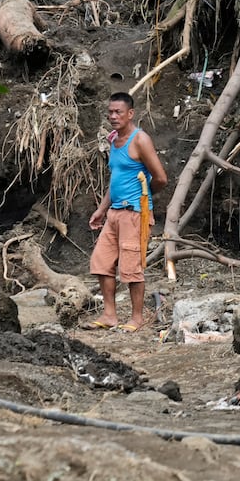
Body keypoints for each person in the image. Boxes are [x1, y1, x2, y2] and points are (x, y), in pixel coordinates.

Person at [86, 92, 168, 332]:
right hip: (114, 213)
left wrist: (143, 197)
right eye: (110, 112)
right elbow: (116, 179)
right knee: (101, 263)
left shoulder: (140, 139)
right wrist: (102, 209)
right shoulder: (113, 140)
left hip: (134, 214)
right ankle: (110, 315)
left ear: (130, 113)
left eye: (118, 112)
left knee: (131, 269)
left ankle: (136, 318)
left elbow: (161, 178)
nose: (113, 116)